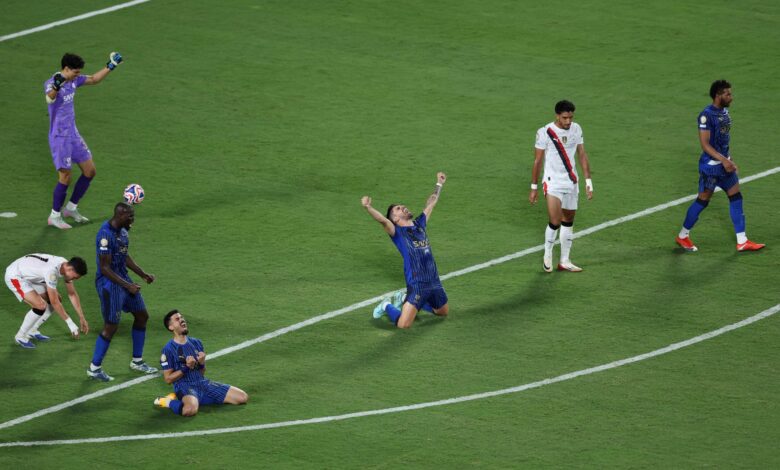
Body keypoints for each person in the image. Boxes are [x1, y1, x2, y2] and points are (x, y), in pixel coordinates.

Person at [675, 80, 764, 252]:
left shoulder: (725, 112)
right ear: (718, 95)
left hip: (724, 165)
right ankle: (683, 236)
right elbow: (705, 145)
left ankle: (742, 241)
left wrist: (729, 159)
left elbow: (723, 141)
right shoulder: (706, 115)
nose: (731, 97)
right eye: (727, 94)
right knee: (703, 200)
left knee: (736, 196)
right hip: (711, 167)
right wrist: (724, 160)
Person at [45, 52, 123, 230]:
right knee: (65, 177)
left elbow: (94, 79)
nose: (78, 75)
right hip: (59, 137)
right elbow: (49, 98)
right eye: (76, 72)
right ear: (66, 69)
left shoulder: (73, 81)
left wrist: (111, 66)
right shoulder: (52, 82)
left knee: (90, 171)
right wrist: (56, 86)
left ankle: (71, 209)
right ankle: (54, 216)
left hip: (73, 134)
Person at [361, 172, 450, 329]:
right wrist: (368, 207)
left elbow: (431, 203)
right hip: (417, 284)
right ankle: (386, 305)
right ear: (395, 219)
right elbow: (382, 220)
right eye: (398, 209)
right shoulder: (397, 232)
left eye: (402, 206)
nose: (403, 207)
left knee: (442, 312)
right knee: (403, 324)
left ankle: (404, 299)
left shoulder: (420, 224)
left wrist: (439, 184)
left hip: (434, 281)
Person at [87, 202, 156, 382]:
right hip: (109, 284)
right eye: (130, 216)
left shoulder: (123, 232)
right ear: (120, 216)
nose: (133, 219)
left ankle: (137, 361)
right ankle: (94, 368)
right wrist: (128, 286)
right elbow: (104, 268)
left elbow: (124, 257)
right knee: (111, 326)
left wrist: (142, 274)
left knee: (142, 316)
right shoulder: (105, 235)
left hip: (124, 280)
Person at [529, 100, 593, 272]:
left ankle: (565, 260)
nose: (568, 121)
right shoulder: (545, 132)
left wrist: (588, 181)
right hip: (552, 182)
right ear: (557, 115)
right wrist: (534, 187)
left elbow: (582, 154)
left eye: (571, 117)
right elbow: (537, 161)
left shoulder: (576, 129)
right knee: (555, 220)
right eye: (565, 118)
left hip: (571, 181)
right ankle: (547, 254)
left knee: (568, 220)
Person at [154, 310, 249, 416]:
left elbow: (202, 373)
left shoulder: (196, 343)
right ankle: (166, 401)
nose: (182, 320)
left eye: (182, 318)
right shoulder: (168, 349)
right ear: (171, 327)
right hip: (185, 387)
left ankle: (198, 399)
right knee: (189, 410)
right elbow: (168, 379)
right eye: (177, 319)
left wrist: (202, 363)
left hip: (202, 383)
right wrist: (186, 367)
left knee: (242, 397)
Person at [4, 254, 89, 348]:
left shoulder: (65, 264)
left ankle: (32, 330)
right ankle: (20, 336)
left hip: (32, 275)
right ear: (70, 269)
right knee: (40, 306)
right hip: (16, 275)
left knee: (57, 299)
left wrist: (82, 317)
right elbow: (54, 302)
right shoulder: (51, 272)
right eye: (74, 277)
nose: (74, 279)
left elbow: (72, 294)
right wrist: (70, 324)